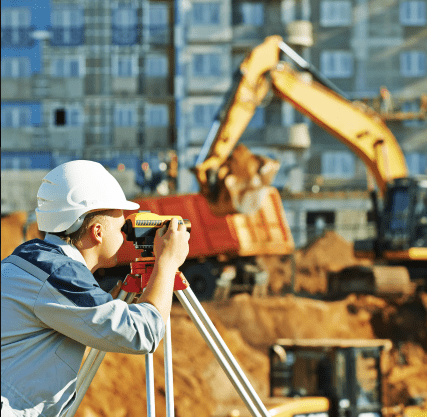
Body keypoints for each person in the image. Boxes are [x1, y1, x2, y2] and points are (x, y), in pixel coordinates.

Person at [1, 160, 190, 417]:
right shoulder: (58, 276)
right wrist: (167, 263)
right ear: (97, 232)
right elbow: (143, 333)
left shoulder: (29, 258)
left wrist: (108, 304)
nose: (125, 233)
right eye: (121, 226)